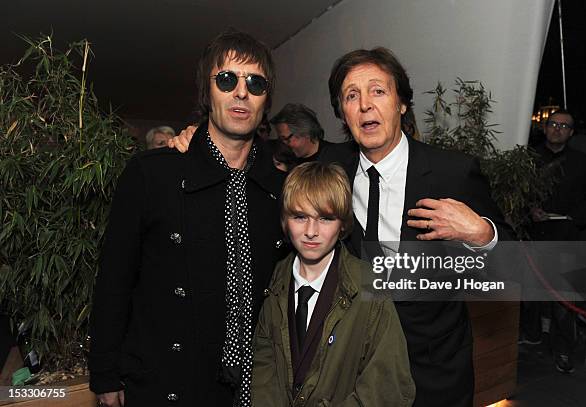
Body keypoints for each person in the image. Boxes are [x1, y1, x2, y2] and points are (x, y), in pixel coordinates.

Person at [88, 30, 286, 407]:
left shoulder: (280, 189)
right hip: (169, 379)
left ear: (266, 100)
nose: (241, 93)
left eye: (255, 83)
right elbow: (114, 279)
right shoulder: (152, 175)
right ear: (206, 92)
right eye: (227, 79)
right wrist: (105, 372)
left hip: (255, 386)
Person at [320, 47, 507, 407]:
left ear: (402, 103)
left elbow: (509, 263)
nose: (365, 105)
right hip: (354, 371)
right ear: (342, 112)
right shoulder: (330, 167)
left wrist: (482, 234)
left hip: (433, 371)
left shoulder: (453, 172)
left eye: (378, 91)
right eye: (351, 95)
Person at [252, 162, 415, 406]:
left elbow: (387, 385)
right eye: (300, 216)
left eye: (325, 218)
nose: (311, 231)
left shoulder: (370, 286)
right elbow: (263, 364)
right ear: (285, 221)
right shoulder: (274, 280)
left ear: (342, 225)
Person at [527, 110, 586, 373]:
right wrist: (528, 210)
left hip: (566, 239)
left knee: (563, 299)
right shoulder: (528, 158)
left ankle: (563, 350)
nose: (557, 129)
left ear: (572, 132)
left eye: (564, 126)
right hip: (532, 238)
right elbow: (514, 193)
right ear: (545, 127)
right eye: (553, 124)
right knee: (528, 293)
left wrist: (574, 218)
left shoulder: (582, 162)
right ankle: (530, 337)